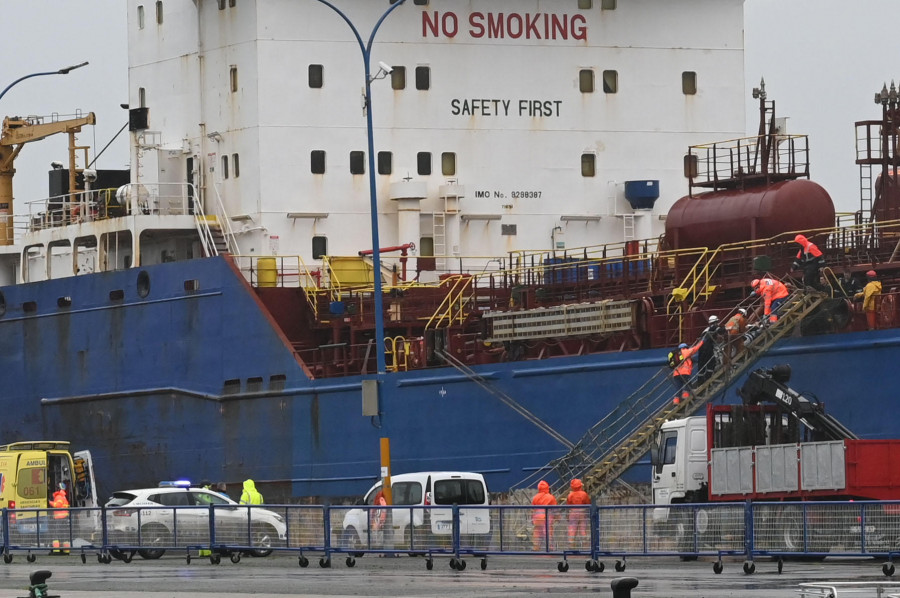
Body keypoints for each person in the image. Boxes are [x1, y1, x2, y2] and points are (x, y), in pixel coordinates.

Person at [696, 315, 724, 384]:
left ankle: (700, 383)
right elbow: (721, 330)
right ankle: (708, 380)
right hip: (707, 348)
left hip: (700, 348)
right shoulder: (714, 328)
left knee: (701, 365)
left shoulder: (705, 330)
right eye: (717, 322)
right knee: (711, 362)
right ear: (715, 322)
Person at [531, 480, 557, 551]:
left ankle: (536, 548)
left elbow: (533, 509)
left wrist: (532, 518)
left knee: (537, 532)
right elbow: (555, 509)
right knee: (548, 532)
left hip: (537, 516)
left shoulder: (535, 497)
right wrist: (557, 517)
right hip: (547, 515)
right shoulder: (551, 497)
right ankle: (550, 548)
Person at [565, 478, 591, 547]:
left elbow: (568, 505)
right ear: (580, 486)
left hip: (573, 513)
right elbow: (588, 503)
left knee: (572, 529)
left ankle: (571, 544)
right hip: (582, 512)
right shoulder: (584, 494)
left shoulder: (570, 495)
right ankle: (585, 545)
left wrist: (567, 515)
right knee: (583, 529)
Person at [49, 482, 70, 553]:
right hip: (64, 518)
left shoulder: (59, 496)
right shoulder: (63, 496)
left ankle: (56, 551)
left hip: (59, 518)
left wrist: (50, 502)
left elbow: (57, 505)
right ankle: (66, 551)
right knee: (64, 535)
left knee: (56, 535)